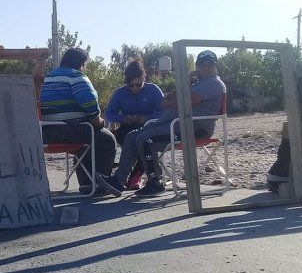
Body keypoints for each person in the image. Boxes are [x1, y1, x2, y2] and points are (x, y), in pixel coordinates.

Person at [106, 50, 227, 197]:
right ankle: (118, 180)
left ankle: (155, 182)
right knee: (131, 136)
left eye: (210, 65)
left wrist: (168, 103)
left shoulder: (213, 83)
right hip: (174, 124)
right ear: (197, 67)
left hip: (194, 128)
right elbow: (167, 98)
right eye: (202, 65)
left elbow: (184, 103)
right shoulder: (196, 83)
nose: (206, 68)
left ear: (215, 67)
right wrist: (185, 83)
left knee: (145, 139)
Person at [39, 47, 121, 197]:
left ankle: (87, 184)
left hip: (44, 132)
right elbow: (90, 106)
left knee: (86, 141)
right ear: (82, 64)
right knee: (107, 139)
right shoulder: (76, 77)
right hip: (67, 130)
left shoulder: (47, 78)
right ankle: (100, 182)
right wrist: (100, 122)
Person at [104, 60, 164, 189]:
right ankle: (136, 176)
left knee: (139, 140)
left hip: (149, 126)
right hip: (127, 127)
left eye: (138, 85)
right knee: (131, 139)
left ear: (144, 79)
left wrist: (146, 118)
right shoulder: (120, 93)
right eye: (130, 85)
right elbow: (109, 113)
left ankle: (132, 176)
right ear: (126, 82)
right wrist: (123, 118)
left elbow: (163, 112)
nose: (135, 88)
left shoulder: (153, 90)